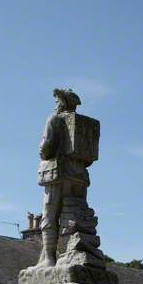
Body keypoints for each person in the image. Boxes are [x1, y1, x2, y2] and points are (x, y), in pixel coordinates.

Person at [36, 88, 90, 267]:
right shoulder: (81, 124)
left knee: (49, 217)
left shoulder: (54, 119)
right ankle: (69, 254)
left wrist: (41, 151)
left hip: (56, 172)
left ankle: (50, 259)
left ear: (63, 102)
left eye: (57, 100)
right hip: (79, 176)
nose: (55, 104)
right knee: (74, 213)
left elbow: (46, 147)